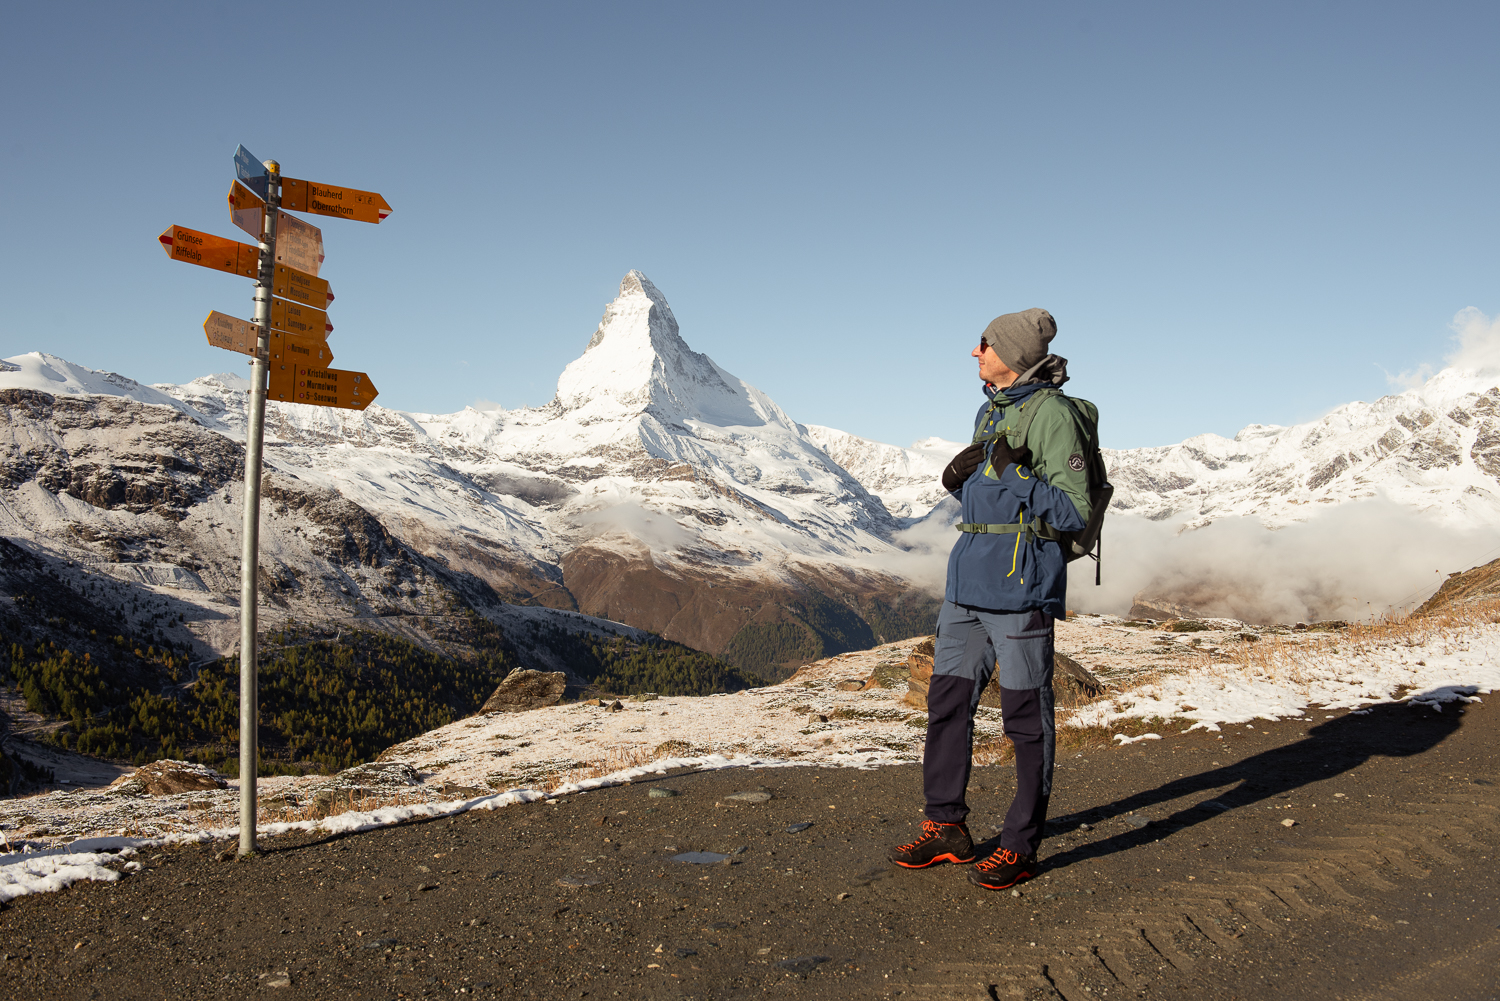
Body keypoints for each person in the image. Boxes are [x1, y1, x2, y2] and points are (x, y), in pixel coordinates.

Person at [888, 308, 1093, 891]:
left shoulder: (1053, 416)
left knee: (1025, 719)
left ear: (1014, 352)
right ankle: (945, 827)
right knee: (947, 704)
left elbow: (1072, 509)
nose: (974, 353)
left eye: (985, 344)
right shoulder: (990, 410)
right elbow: (993, 495)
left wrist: (1014, 475)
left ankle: (1021, 844)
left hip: (1021, 585)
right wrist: (964, 482)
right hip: (967, 587)